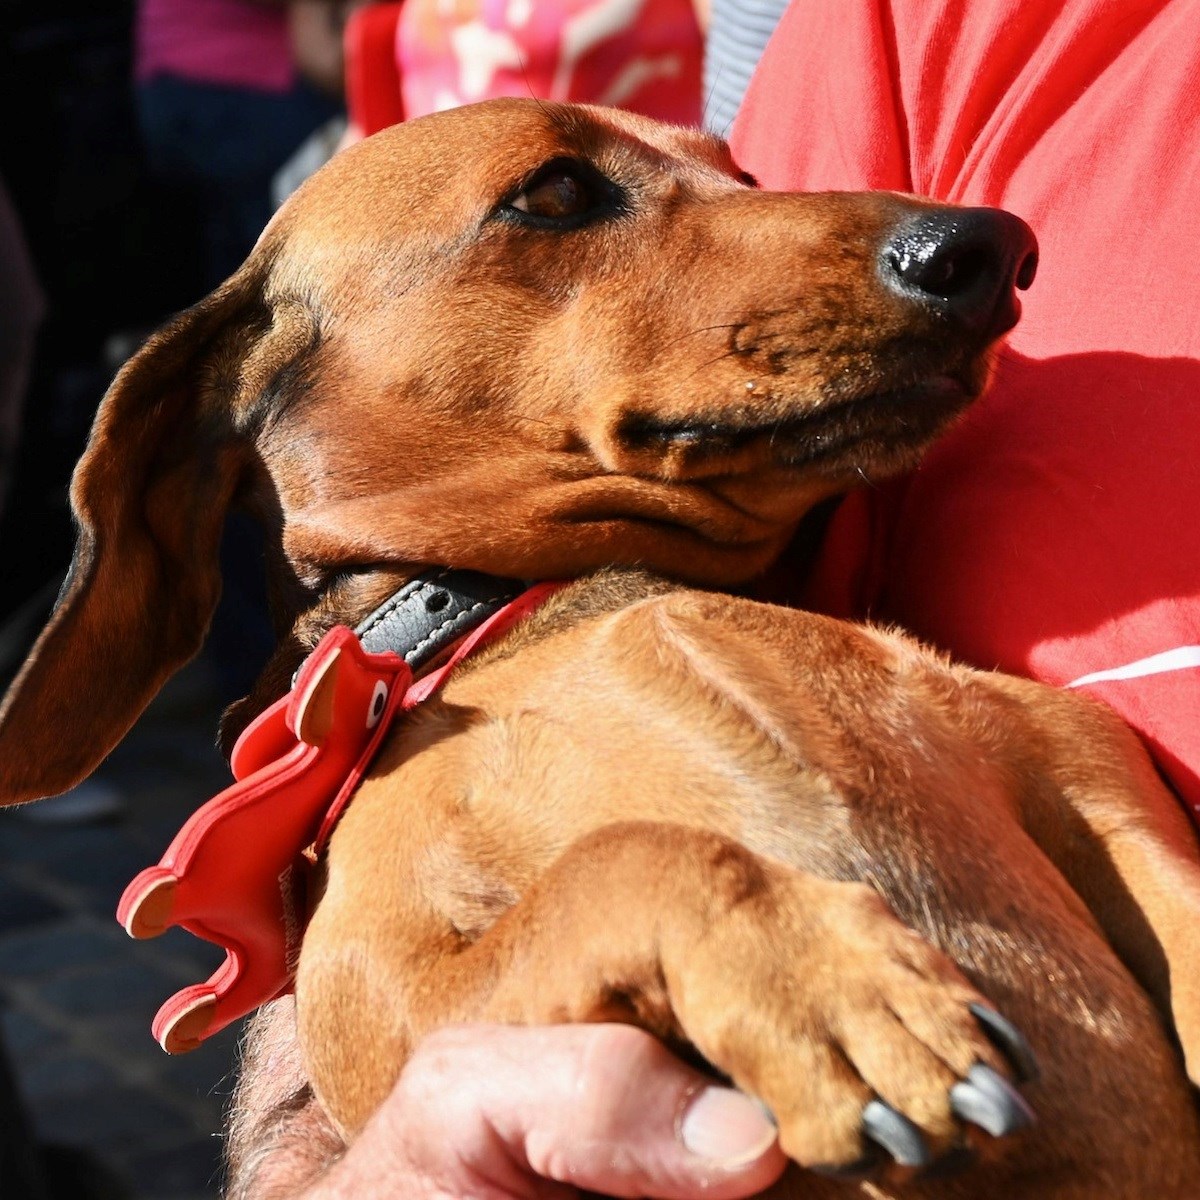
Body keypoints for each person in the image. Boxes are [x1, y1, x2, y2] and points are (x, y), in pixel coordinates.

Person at [227, 0, 1200, 1194]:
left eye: (734, 181)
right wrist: (653, 903)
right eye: (561, 202)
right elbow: (393, 1053)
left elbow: (1073, 769)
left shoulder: (789, 626)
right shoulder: (912, 30)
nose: (980, 272)